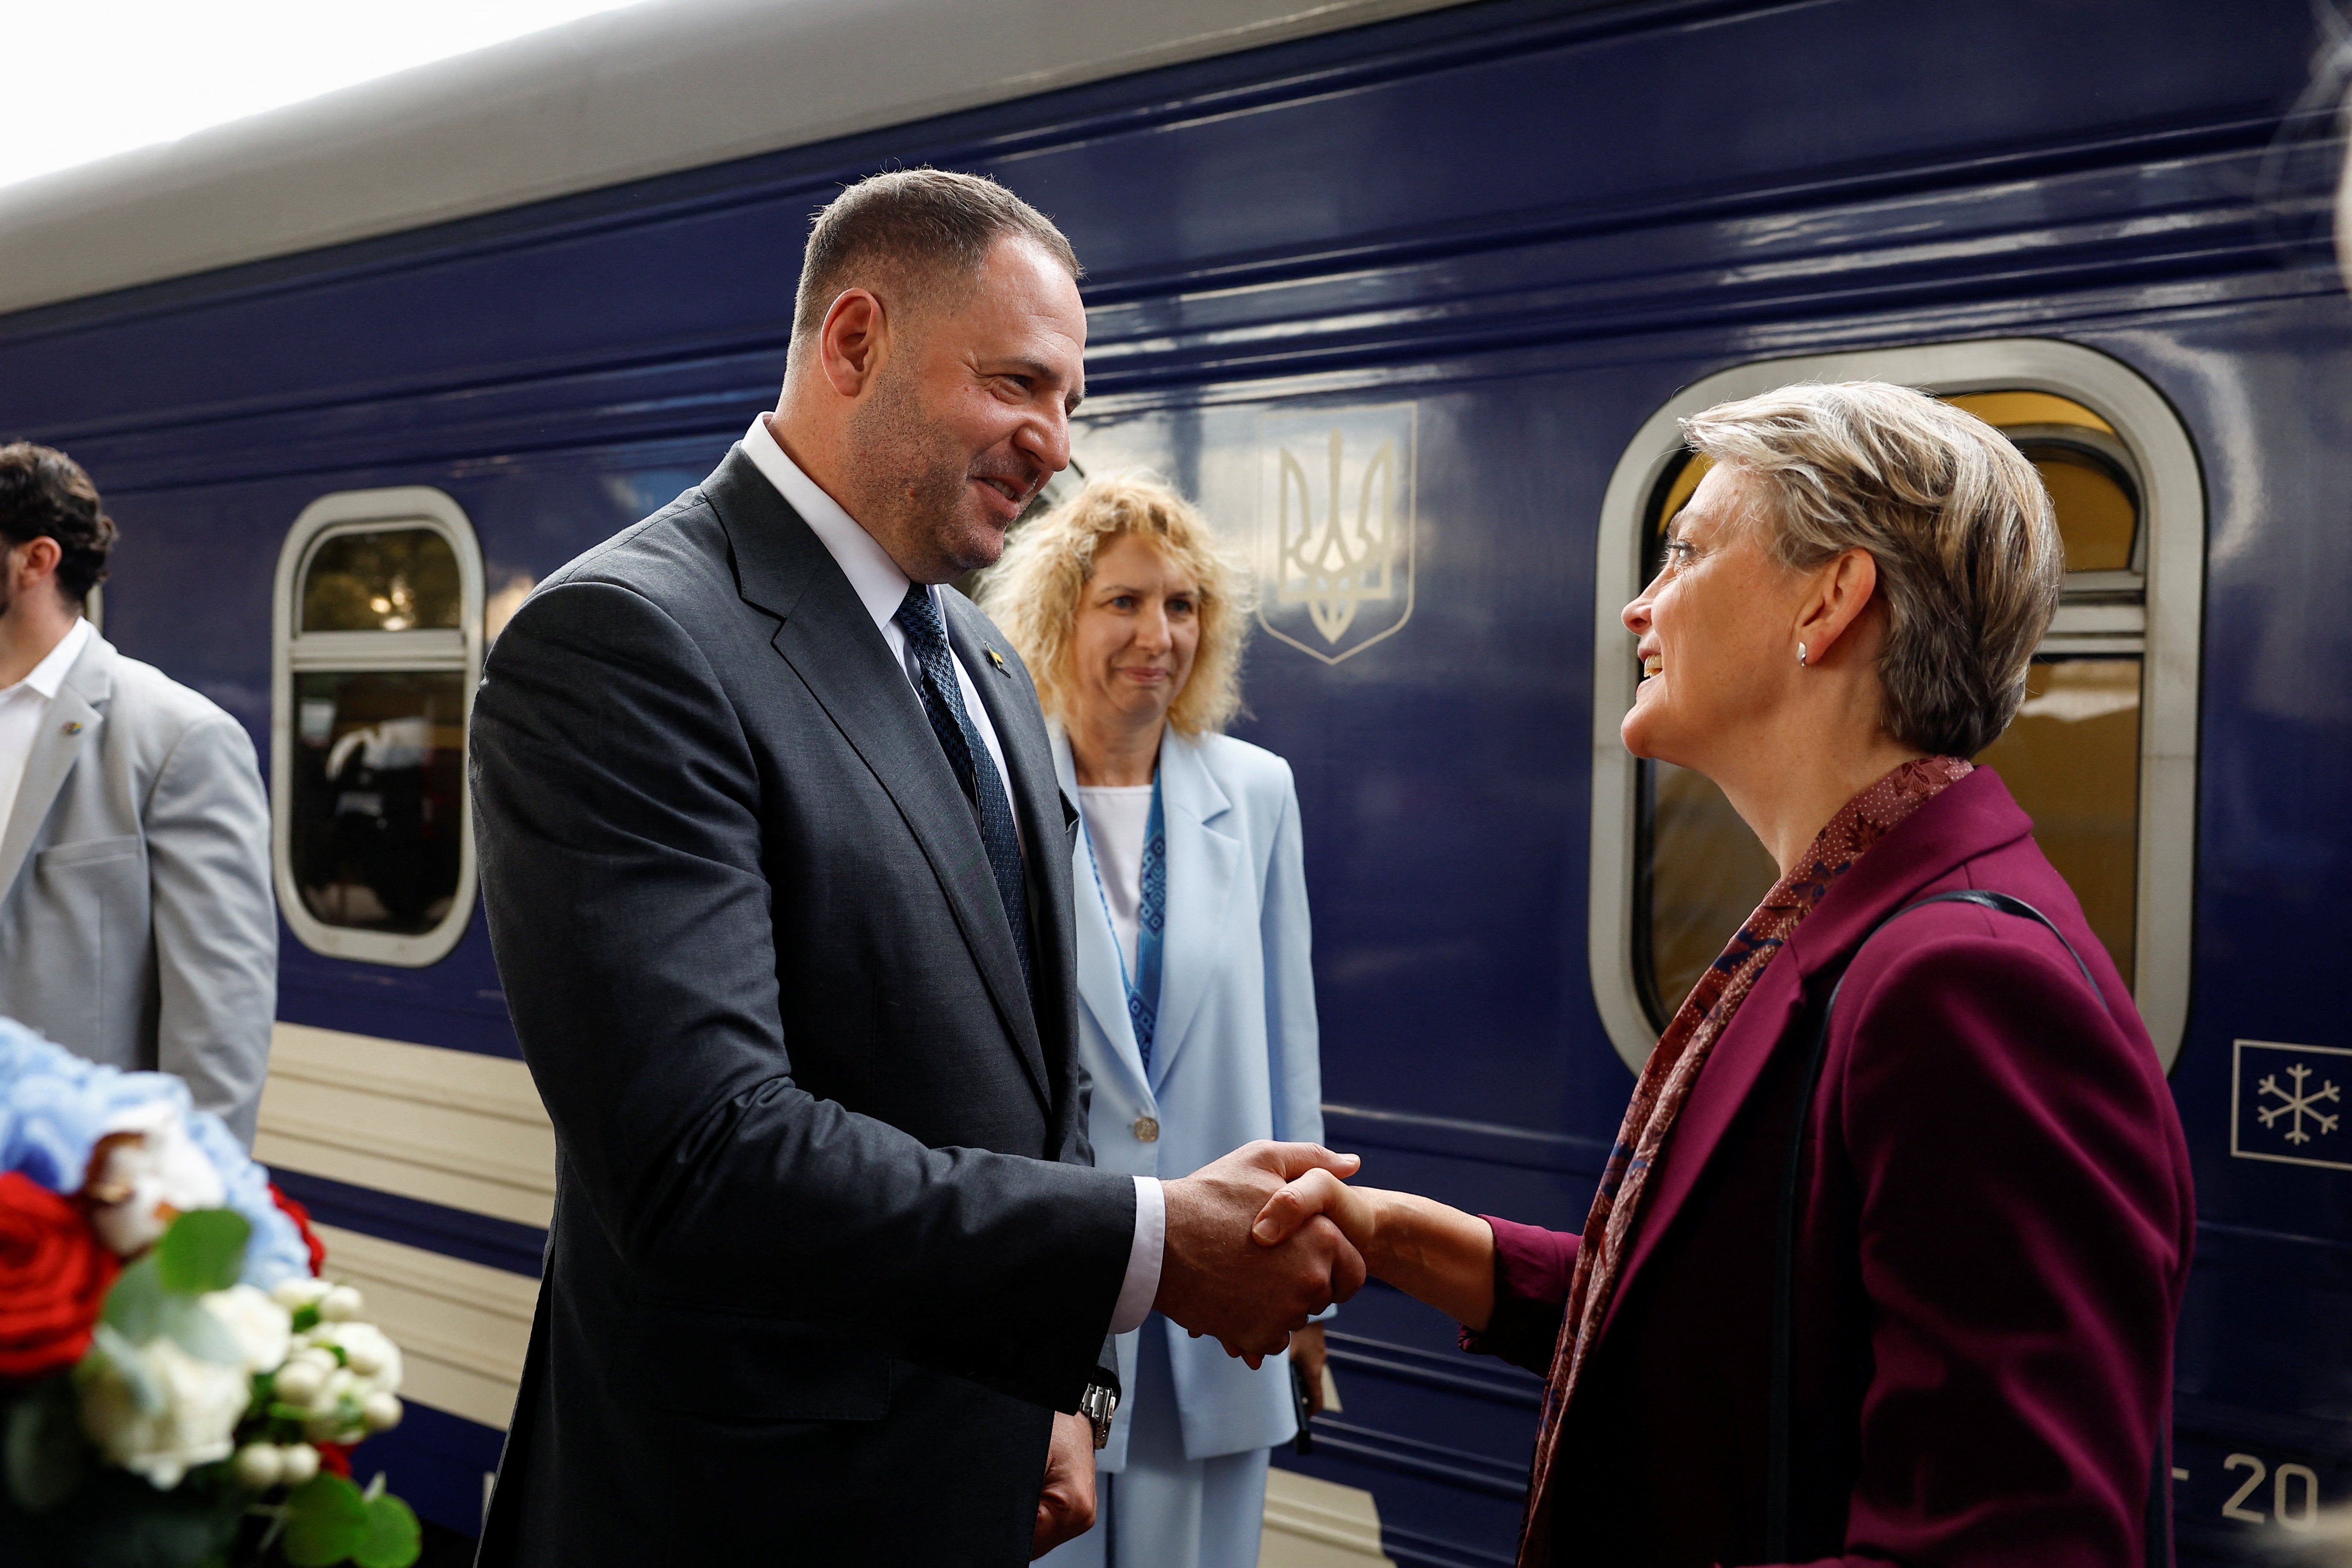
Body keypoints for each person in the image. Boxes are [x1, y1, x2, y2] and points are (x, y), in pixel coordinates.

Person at [466, 169, 1365, 1568]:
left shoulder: (987, 664)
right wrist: (1147, 1240)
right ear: (855, 342)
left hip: (969, 1471)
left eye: (1068, 400)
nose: (1056, 446)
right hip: (742, 1510)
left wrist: (1053, 1374)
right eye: (1019, 385)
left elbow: (1023, 1075)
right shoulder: (625, 643)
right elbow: (705, 1159)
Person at [1251, 382, 2195, 1566]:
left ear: (1832, 598)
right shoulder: (1856, 918)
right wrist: (1399, 1241)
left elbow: (2006, 1543)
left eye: (1688, 551)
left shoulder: (1964, 987)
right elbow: (1738, 1333)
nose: (1638, 607)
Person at [979, 475, 1329, 1568]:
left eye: (1182, 607)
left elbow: (1288, 1042)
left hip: (1222, 1296)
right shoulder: (989, 785)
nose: (1158, 635)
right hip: (1047, 1297)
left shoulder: (1256, 791)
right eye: (1124, 602)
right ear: (1059, 616)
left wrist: (1311, 1270)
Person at [0, 444, 276, 1144]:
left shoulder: (179, 738)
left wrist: (181, 1219)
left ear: (36, 560)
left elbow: (219, 1025)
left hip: (73, 1190)